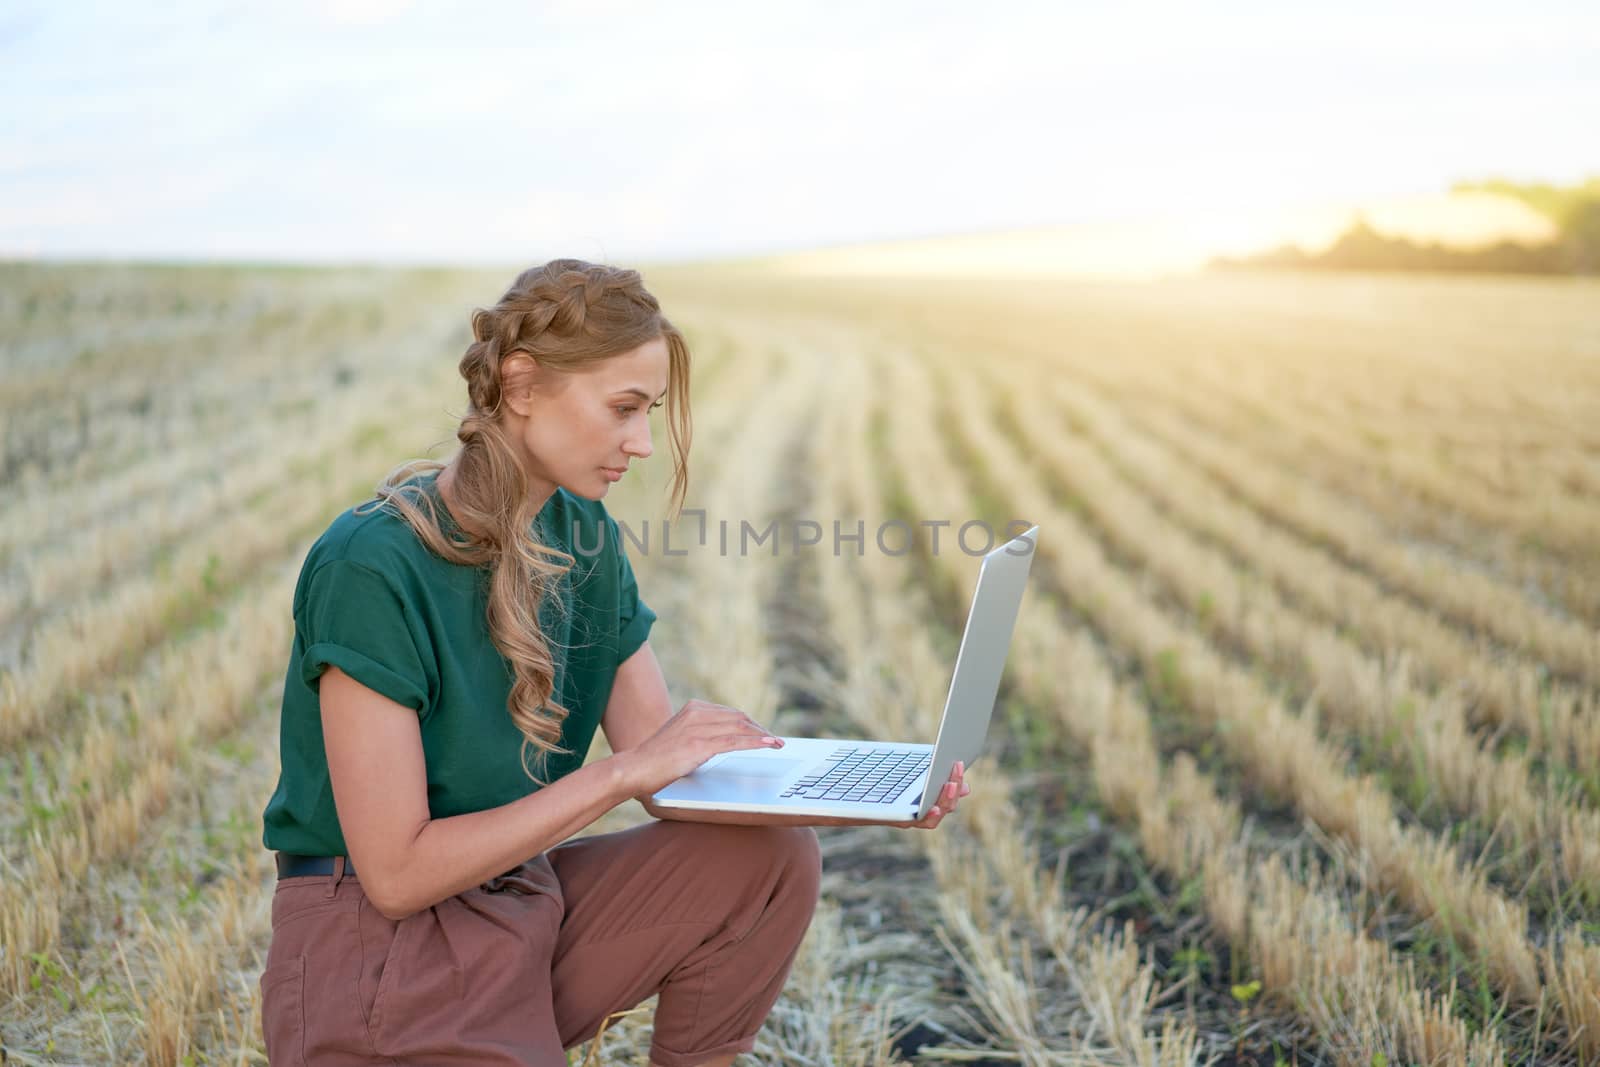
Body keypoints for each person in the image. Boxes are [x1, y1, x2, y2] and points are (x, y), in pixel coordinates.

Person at [257, 259, 971, 1066]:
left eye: (651, 412)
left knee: (771, 858)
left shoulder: (584, 537)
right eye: (623, 409)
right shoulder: (370, 564)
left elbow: (668, 779)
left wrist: (884, 795)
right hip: (379, 958)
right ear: (522, 385)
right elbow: (395, 872)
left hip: (517, 911)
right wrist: (616, 776)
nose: (641, 442)